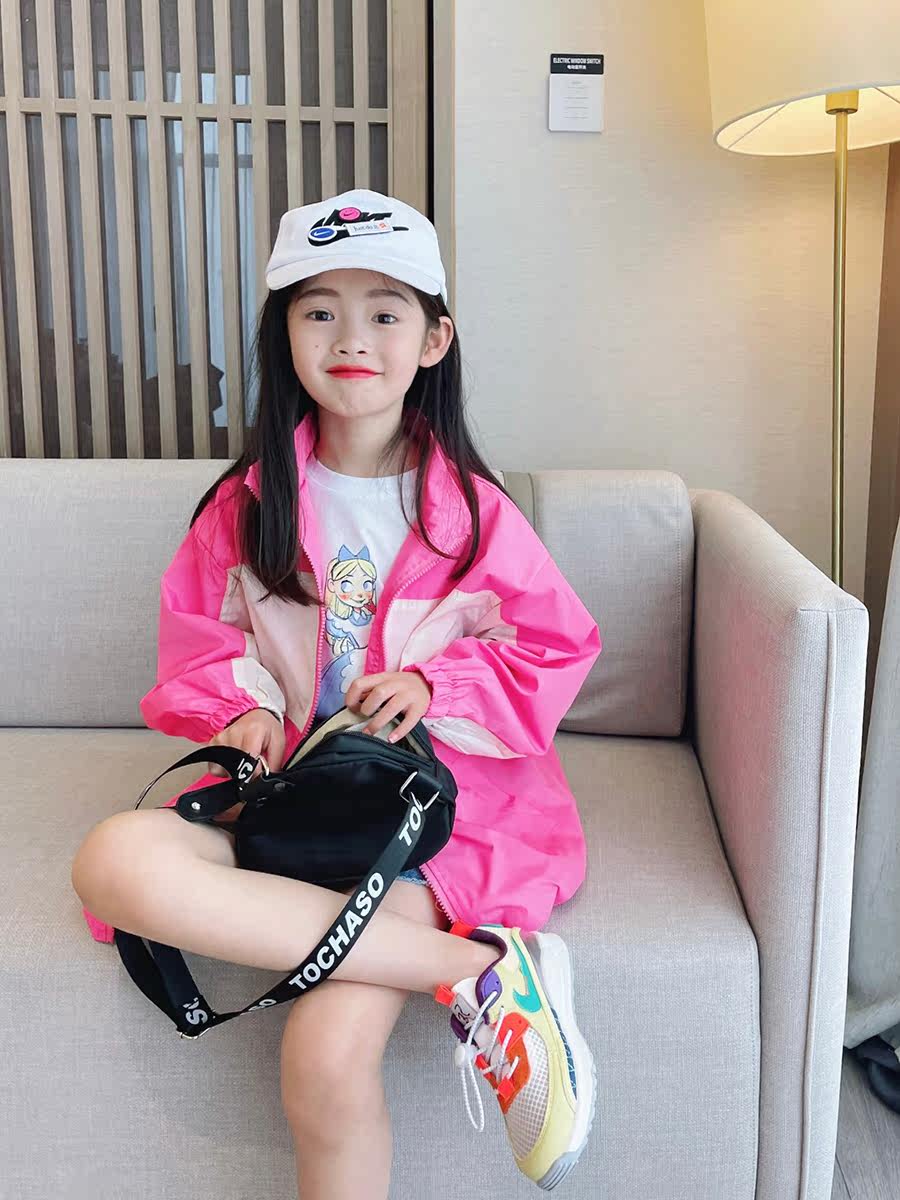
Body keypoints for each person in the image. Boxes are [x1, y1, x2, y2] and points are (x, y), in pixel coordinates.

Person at [71, 188, 603, 1197]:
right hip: (293, 794)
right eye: (319, 310)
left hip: (427, 815)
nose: (351, 337)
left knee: (320, 1063)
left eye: (384, 312)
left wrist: (435, 683)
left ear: (435, 340)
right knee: (113, 860)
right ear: (284, 336)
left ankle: (468, 962)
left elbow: (551, 646)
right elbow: (202, 644)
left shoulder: (476, 515)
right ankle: (484, 972)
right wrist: (244, 710)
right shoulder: (245, 508)